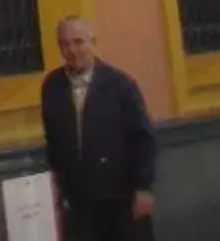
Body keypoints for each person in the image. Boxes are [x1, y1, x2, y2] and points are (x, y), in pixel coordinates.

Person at [40, 17, 156, 235]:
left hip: (120, 195)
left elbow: (142, 137)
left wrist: (144, 187)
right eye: (65, 44)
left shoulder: (120, 84)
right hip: (77, 199)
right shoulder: (52, 86)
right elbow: (53, 139)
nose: (73, 50)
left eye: (78, 42)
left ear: (92, 42)